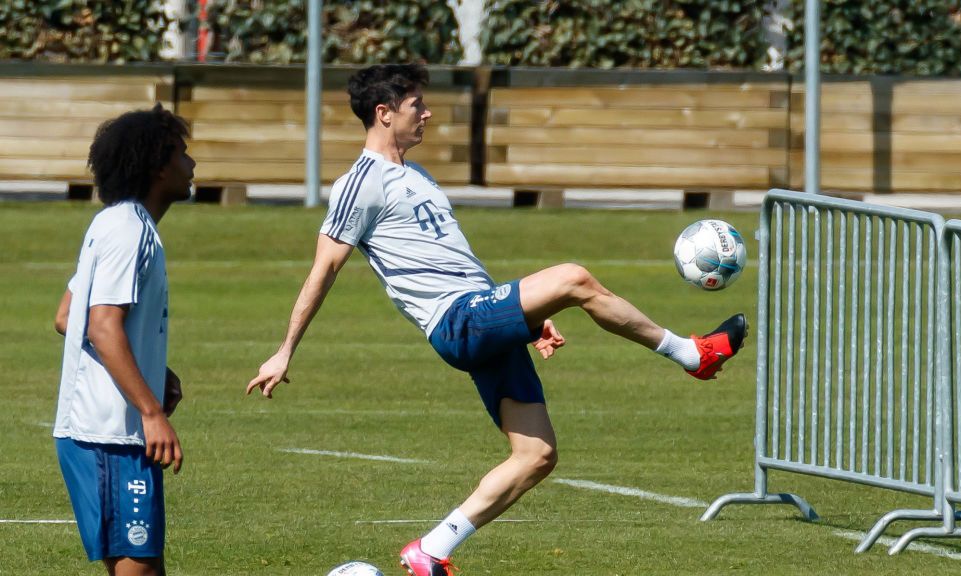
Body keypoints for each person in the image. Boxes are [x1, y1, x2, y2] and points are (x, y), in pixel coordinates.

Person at [246, 63, 747, 576]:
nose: (427, 112)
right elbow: (322, 270)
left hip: (480, 315)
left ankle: (432, 550)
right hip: (456, 320)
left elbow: (454, 262)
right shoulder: (359, 183)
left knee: (536, 456)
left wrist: (525, 322)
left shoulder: (416, 174)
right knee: (574, 278)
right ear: (384, 112)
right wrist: (285, 350)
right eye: (417, 104)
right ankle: (693, 354)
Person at [54, 104, 195, 576]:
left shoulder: (116, 222)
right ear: (158, 165)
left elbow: (66, 316)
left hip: (108, 432)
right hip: (110, 434)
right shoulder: (129, 231)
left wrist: (154, 373)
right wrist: (151, 411)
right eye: (182, 154)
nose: (191, 165)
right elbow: (100, 325)